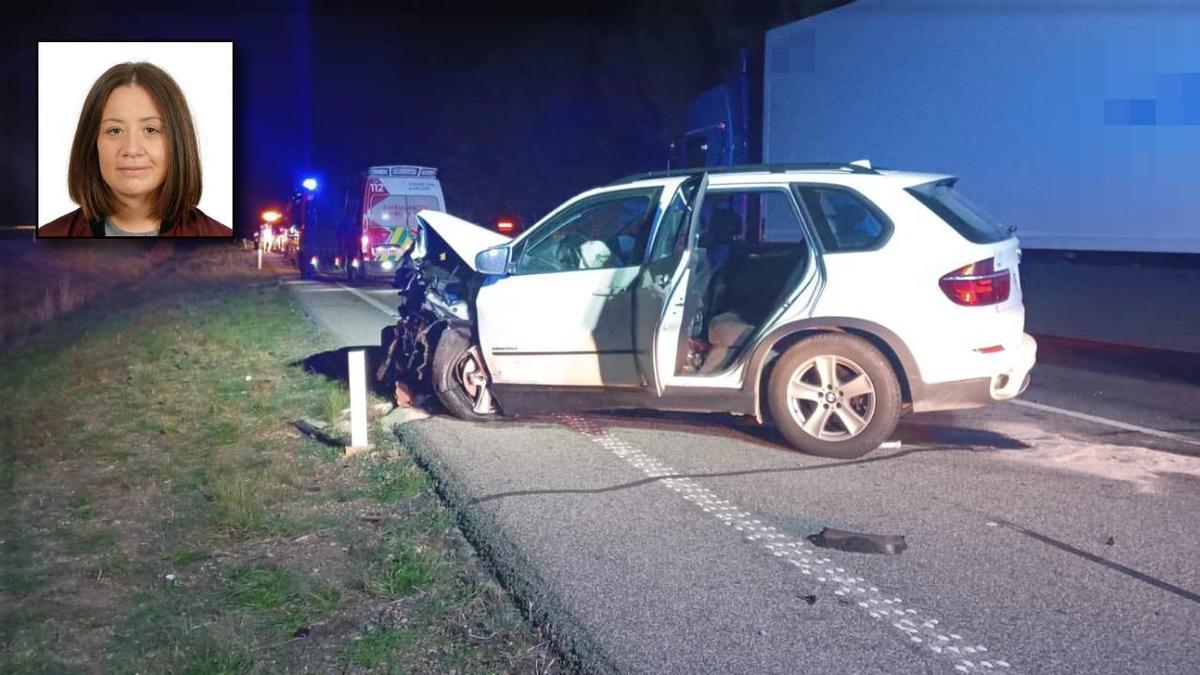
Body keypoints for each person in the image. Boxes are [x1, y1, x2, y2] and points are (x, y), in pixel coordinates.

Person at [40, 62, 231, 237]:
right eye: (114, 130)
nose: (131, 149)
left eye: (151, 130)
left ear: (178, 142)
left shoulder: (225, 242)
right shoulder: (48, 238)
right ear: (91, 143)